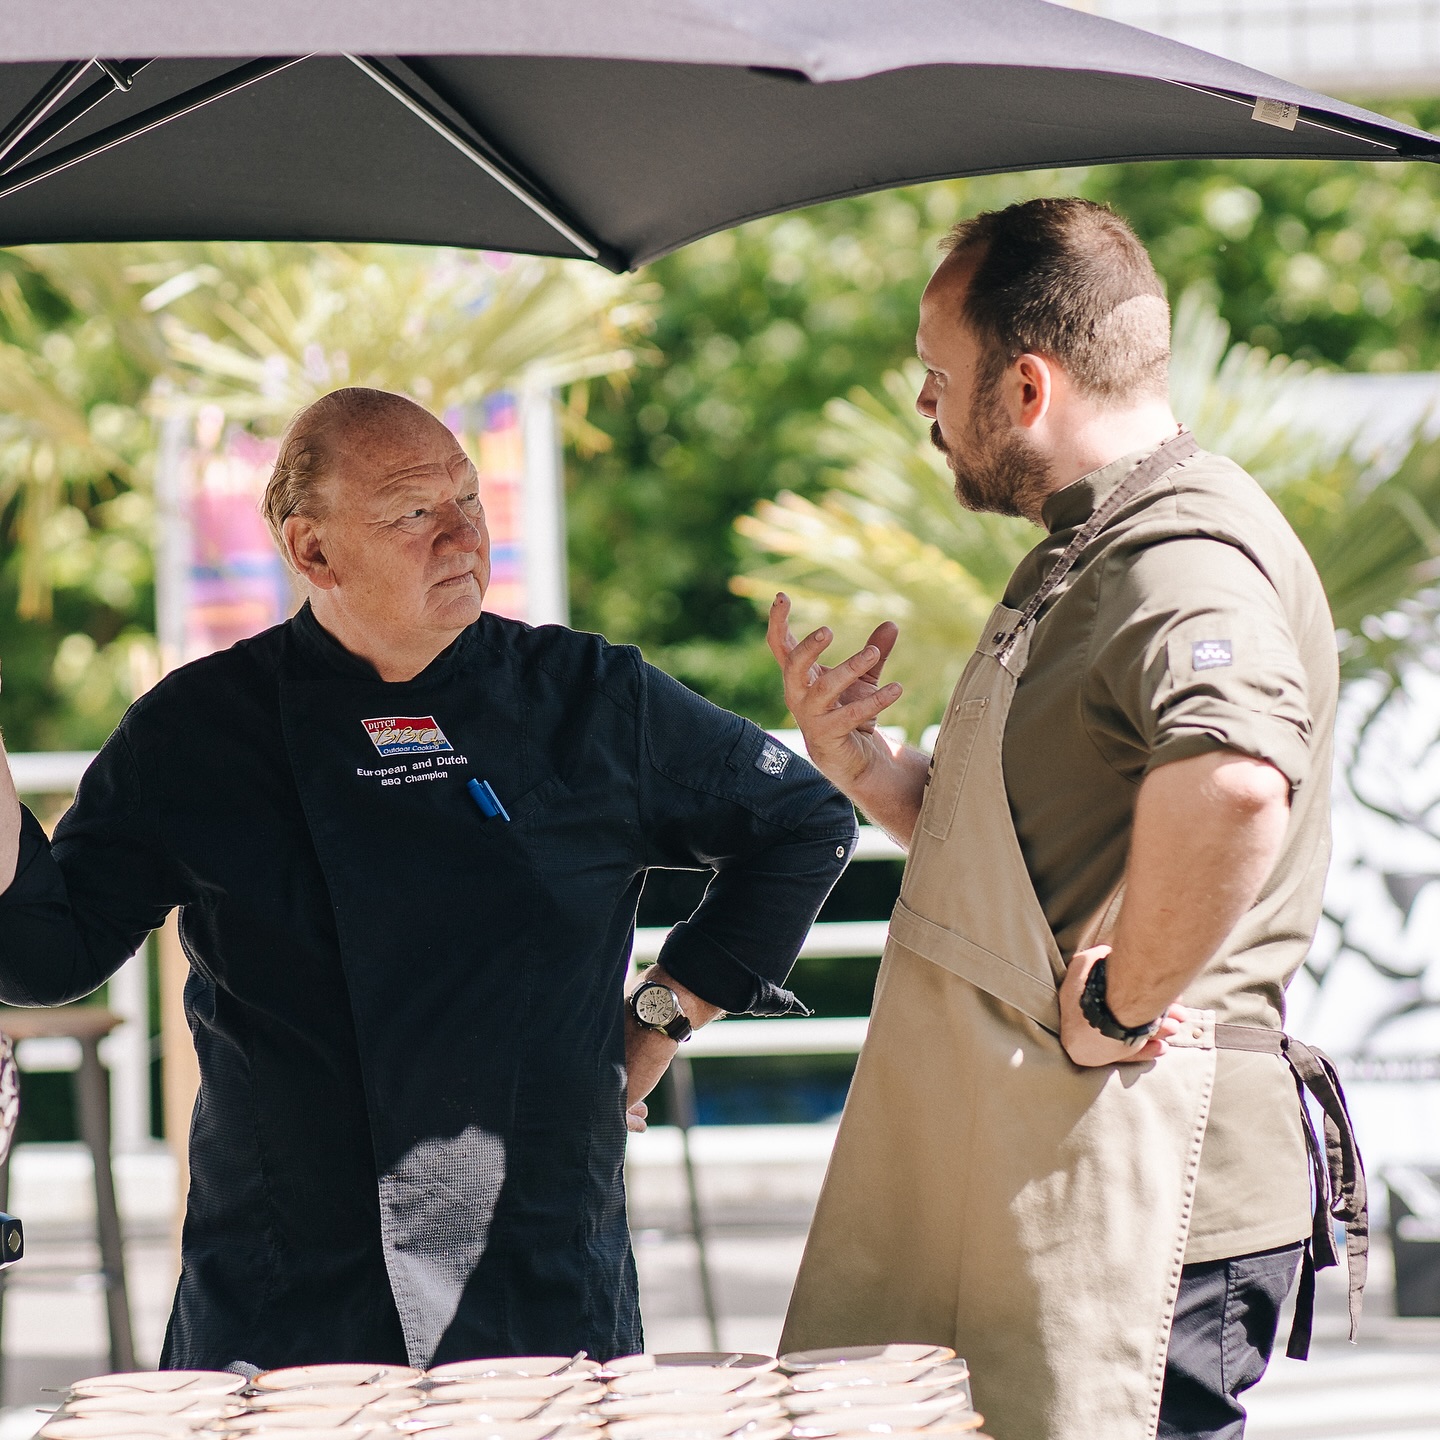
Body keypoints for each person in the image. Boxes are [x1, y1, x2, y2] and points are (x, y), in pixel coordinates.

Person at [0, 387, 856, 1370]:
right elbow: (41, 957)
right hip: (282, 1297)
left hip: (534, 1278)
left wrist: (661, 1017)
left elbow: (802, 822)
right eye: (414, 512)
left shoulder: (589, 699)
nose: (460, 536)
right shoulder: (197, 730)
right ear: (310, 550)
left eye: (469, 501)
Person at [772, 199, 1365, 1440]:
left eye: (941, 377)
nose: (926, 408)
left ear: (1026, 384)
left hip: (1148, 1196)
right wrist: (875, 774)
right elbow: (1041, 879)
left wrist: (1126, 1001)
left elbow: (1238, 775)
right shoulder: (1085, 547)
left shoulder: (1179, 552)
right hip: (1057, 1177)